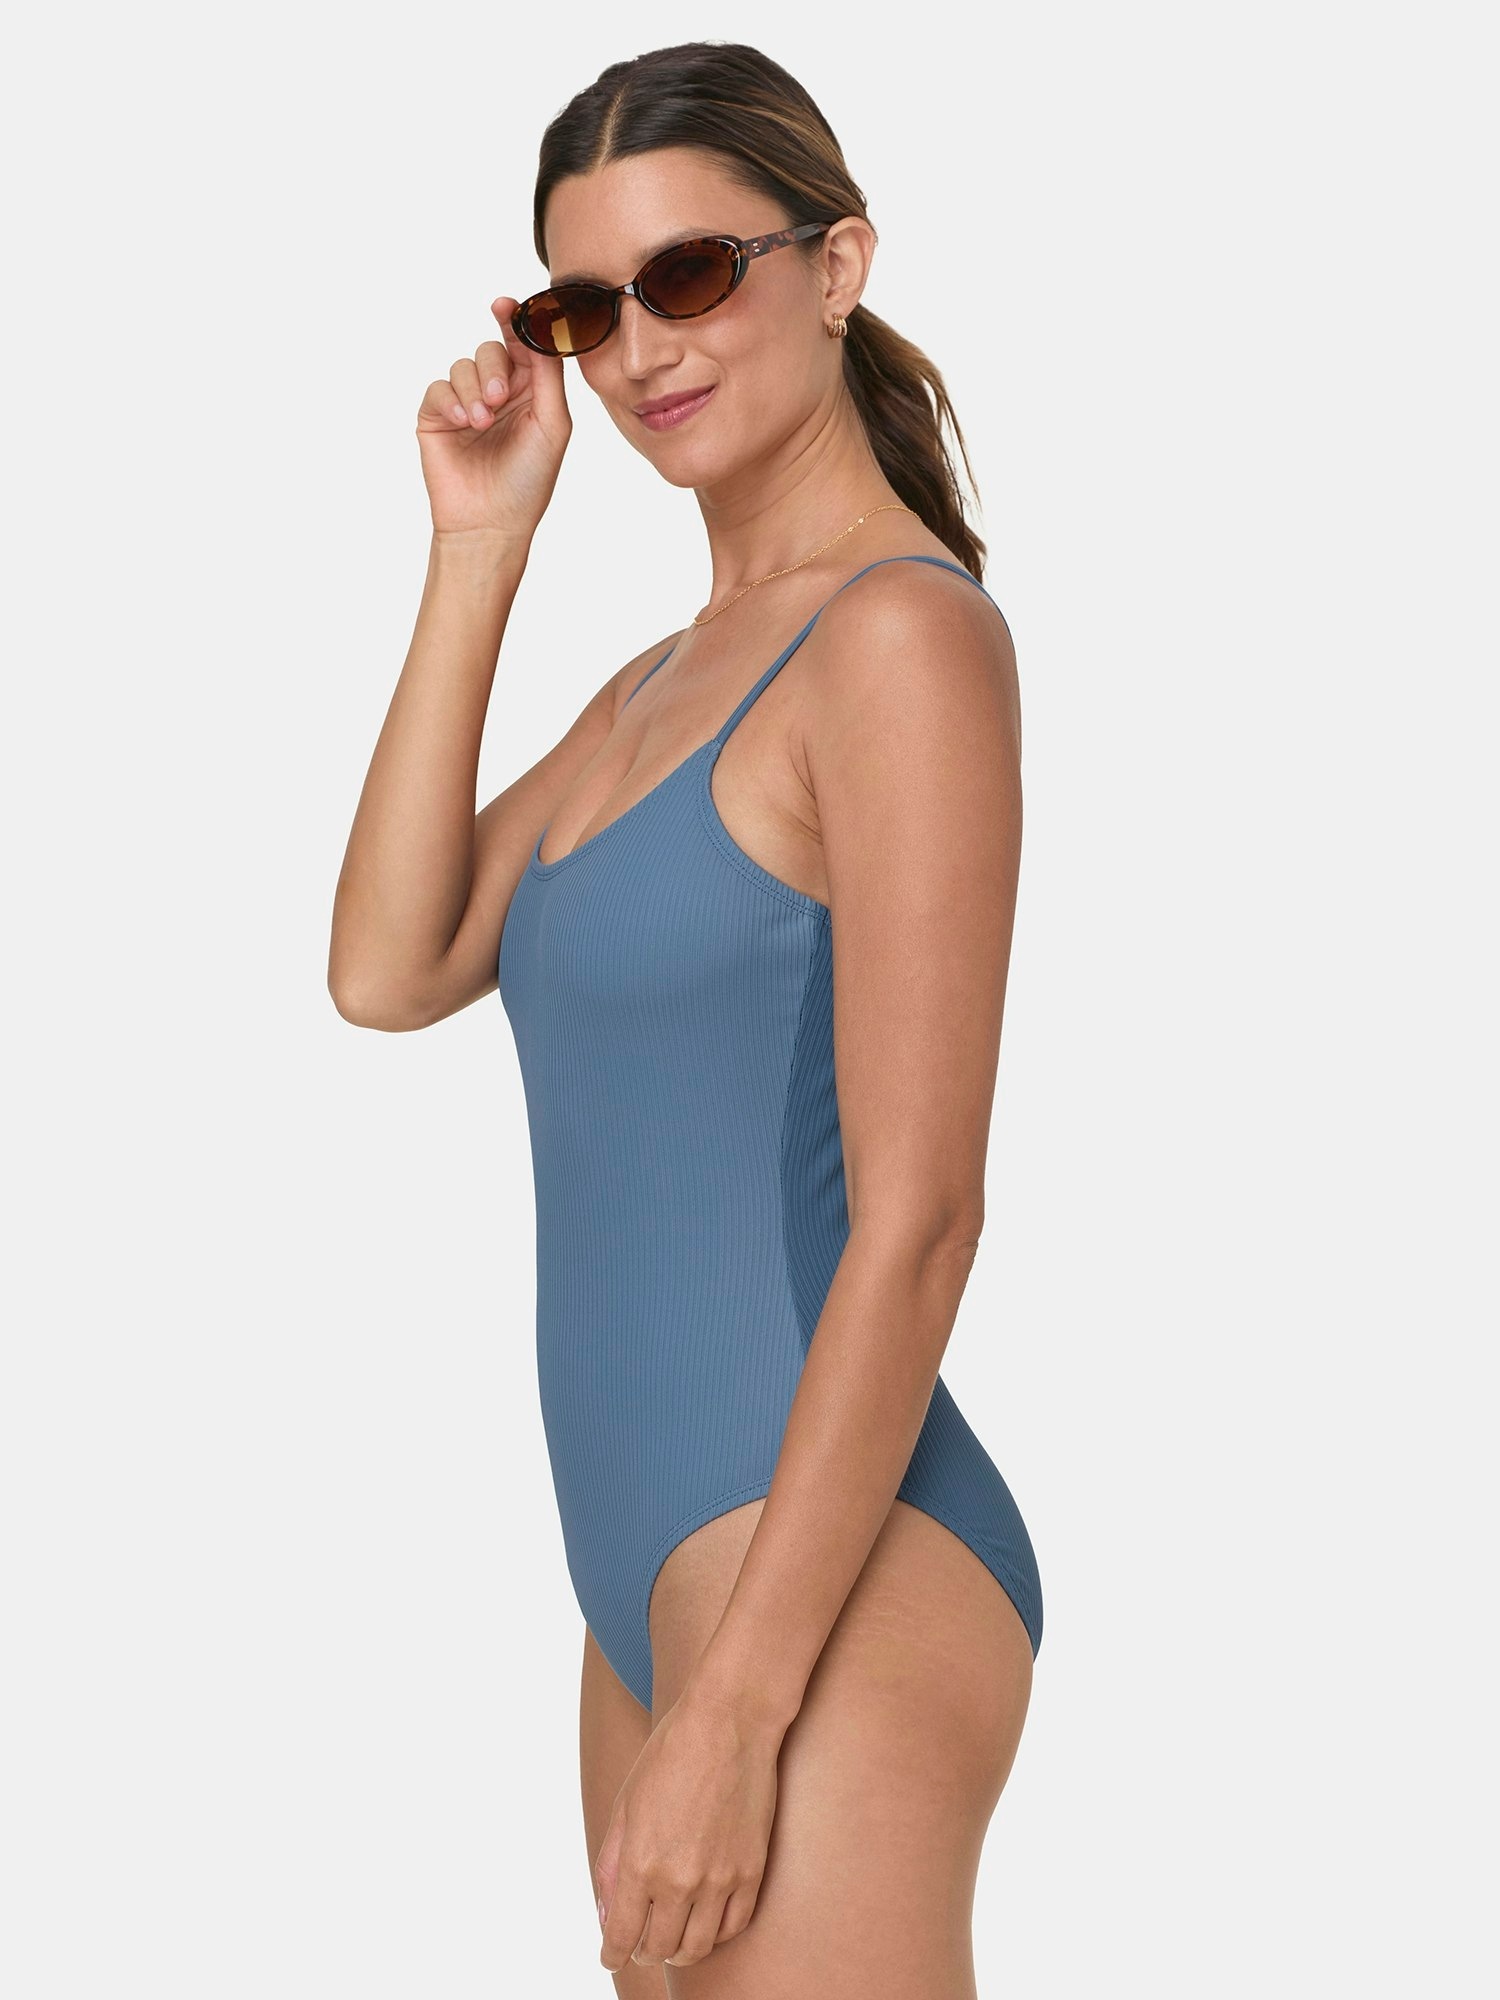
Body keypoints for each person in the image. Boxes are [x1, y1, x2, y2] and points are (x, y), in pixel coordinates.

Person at [329, 38, 1043, 1998]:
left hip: (820, 1584)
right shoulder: (660, 683)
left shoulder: (897, 641)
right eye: (587, 305)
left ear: (839, 264)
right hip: (649, 1581)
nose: (642, 346)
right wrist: (480, 548)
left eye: (694, 273)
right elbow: (389, 964)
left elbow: (924, 1218)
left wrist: (739, 1702)